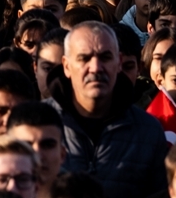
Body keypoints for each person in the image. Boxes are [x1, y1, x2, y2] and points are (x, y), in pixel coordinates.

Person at [45, 21, 168, 198]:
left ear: (118, 63)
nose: (95, 68)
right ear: (66, 66)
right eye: (84, 58)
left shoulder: (148, 131)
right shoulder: (39, 124)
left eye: (105, 57)